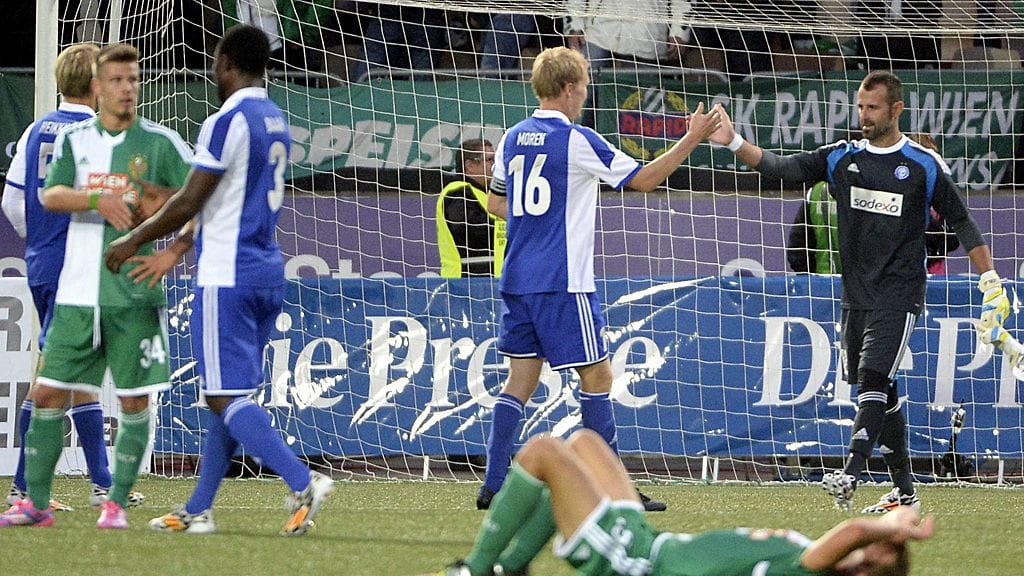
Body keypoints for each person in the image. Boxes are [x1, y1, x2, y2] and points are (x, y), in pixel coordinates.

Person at [709, 70, 1012, 513]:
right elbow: (780, 168)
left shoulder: (922, 165)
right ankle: (906, 491)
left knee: (873, 378)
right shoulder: (841, 159)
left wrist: (990, 279)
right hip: (856, 296)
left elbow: (962, 221)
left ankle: (850, 472)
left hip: (900, 292)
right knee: (880, 392)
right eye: (860, 107)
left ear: (896, 110)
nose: (864, 116)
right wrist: (735, 141)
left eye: (873, 108)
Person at [103, 24, 334, 536]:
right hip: (266, 268)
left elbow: (190, 199)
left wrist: (133, 240)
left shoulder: (226, 119)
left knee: (226, 397)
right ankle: (199, 508)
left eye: (214, 61)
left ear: (227, 63)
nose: (211, 69)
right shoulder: (275, 118)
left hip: (226, 272)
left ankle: (301, 480)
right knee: (224, 396)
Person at [478, 46, 720, 513]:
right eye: (584, 88)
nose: (585, 97)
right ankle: (612, 489)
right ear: (568, 89)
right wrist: (690, 138)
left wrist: (541, 218)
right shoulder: (576, 140)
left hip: (517, 277)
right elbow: (644, 181)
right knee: (598, 374)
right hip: (563, 280)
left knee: (520, 381)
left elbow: (495, 203)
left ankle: (492, 482)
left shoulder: (511, 137)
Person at [0, 43, 193, 529]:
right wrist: (89, 212)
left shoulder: (39, 129)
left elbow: (15, 202)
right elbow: (51, 194)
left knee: (97, 388)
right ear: (96, 85)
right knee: (56, 384)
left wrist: (42, 244)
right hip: (83, 278)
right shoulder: (79, 140)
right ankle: (35, 493)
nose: (126, 89)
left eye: (132, 80)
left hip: (76, 272)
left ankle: (105, 492)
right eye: (115, 80)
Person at [437, 430, 935, 576]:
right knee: (586, 444)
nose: (863, 550)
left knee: (544, 452)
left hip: (634, 565)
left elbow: (852, 531)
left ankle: (476, 571)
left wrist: (895, 527)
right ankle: (511, 569)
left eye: (871, 557)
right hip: (648, 544)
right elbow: (852, 536)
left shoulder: (812, 572)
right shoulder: (816, 557)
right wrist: (900, 519)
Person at [786, 134, 960, 275]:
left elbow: (797, 252)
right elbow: (947, 238)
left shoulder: (816, 194)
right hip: (882, 288)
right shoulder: (885, 191)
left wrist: (812, 281)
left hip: (824, 290)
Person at [436, 139, 506, 278]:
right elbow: (471, 230)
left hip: (491, 282)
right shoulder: (456, 192)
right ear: (470, 166)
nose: (495, 166)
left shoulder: (485, 195)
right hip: (465, 283)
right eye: (490, 160)